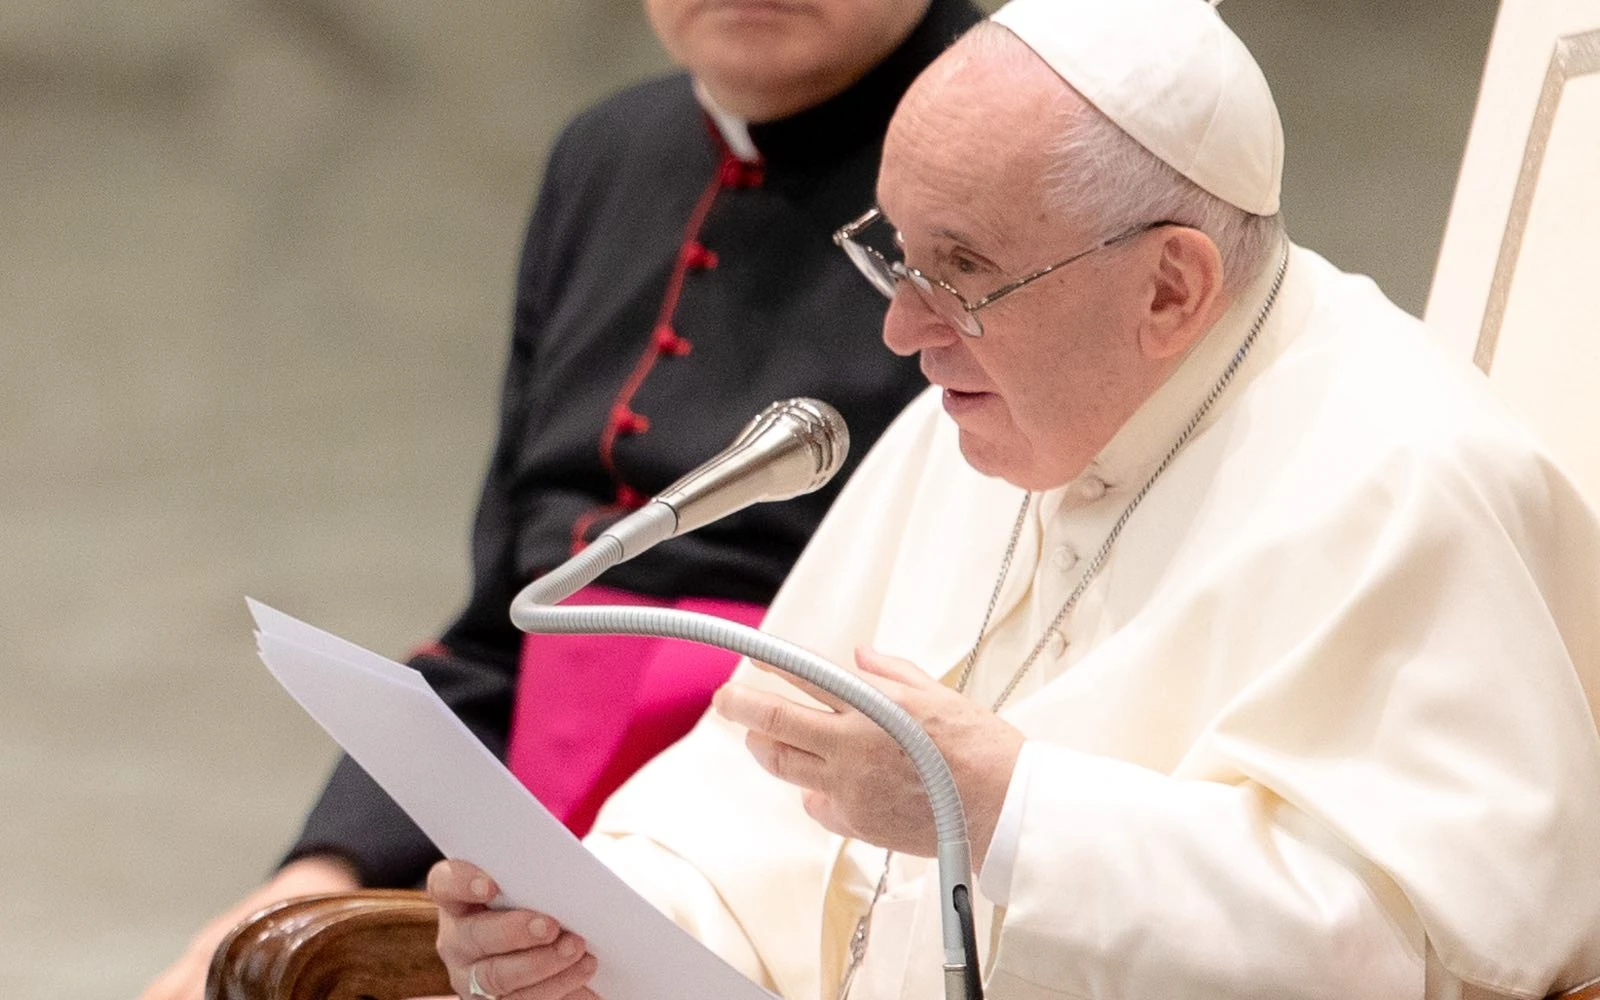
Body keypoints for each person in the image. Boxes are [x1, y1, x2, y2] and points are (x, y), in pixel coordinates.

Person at [426, 0, 1600, 998]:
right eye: (894, 254)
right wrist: (588, 926)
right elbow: (746, 807)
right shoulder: (982, 422)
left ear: (1171, 288)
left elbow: (1409, 956)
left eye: (963, 273)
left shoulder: (1405, 478)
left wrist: (1002, 808)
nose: (902, 329)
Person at [140, 1, 983, 998]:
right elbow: (505, 623)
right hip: (531, 847)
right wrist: (320, 869)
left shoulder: (1019, 150)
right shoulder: (610, 153)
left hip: (816, 869)